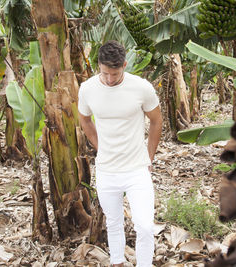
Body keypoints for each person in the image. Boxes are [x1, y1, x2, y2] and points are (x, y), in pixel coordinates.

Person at [78, 40, 163, 267]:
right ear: (98, 66)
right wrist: (100, 146)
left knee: (144, 225)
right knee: (114, 223)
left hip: (137, 168)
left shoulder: (141, 87)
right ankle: (117, 262)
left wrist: (149, 157)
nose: (109, 79)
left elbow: (156, 121)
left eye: (114, 74)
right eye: (105, 73)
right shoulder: (87, 88)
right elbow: (84, 119)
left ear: (124, 65)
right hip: (107, 169)